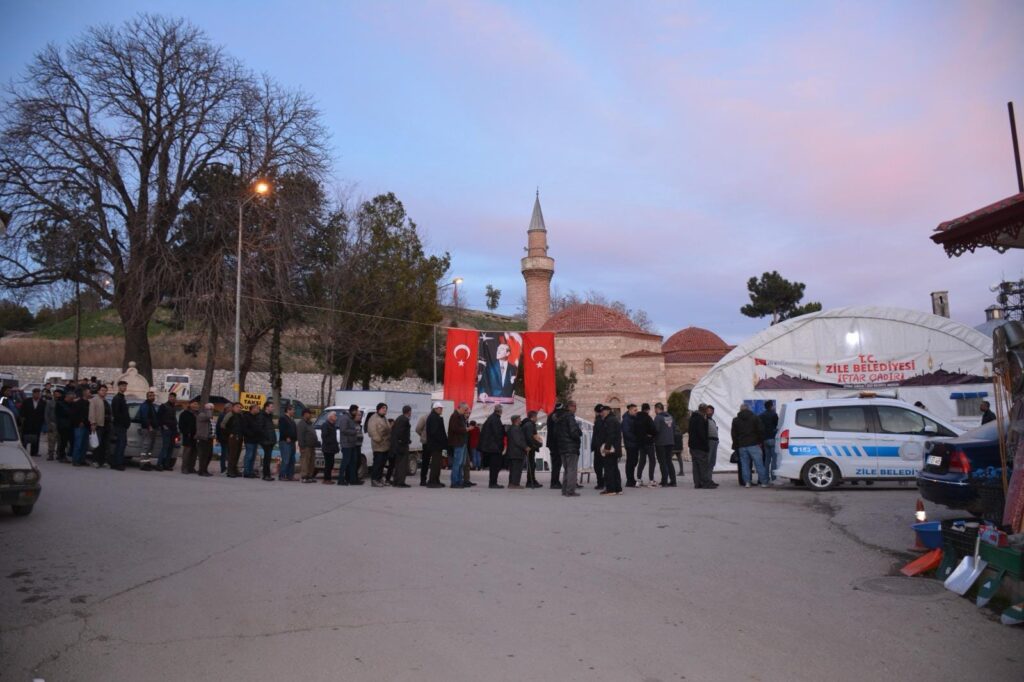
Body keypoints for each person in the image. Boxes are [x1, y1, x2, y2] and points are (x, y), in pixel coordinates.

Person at [733, 404, 768, 488]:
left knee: (745, 465)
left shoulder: (736, 420)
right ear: (748, 409)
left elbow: (734, 434)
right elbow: (761, 430)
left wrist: (736, 444)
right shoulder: (755, 418)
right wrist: (760, 441)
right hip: (754, 444)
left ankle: (747, 482)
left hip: (742, 445)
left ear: (740, 410)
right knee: (759, 464)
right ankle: (763, 482)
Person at [556, 401, 582, 497]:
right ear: (570, 407)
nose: (576, 408)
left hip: (562, 447)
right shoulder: (570, 417)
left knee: (567, 469)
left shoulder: (559, 418)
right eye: (574, 406)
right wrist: (578, 435)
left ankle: (564, 490)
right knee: (572, 469)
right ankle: (570, 490)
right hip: (571, 447)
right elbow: (574, 432)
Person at [688, 404, 716, 489]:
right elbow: (702, 434)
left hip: (692, 445)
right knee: (703, 465)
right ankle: (705, 483)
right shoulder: (700, 419)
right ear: (704, 410)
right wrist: (706, 445)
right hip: (700, 446)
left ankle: (697, 483)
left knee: (695, 466)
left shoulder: (692, 418)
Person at [599, 404, 623, 496]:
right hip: (615, 448)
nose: (601, 413)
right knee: (614, 469)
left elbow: (610, 435)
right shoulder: (613, 419)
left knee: (609, 469)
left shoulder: (609, 420)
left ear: (608, 411)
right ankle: (618, 489)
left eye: (603, 411)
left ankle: (611, 489)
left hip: (610, 449)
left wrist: (607, 448)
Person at [480, 404, 506, 489]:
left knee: (494, 466)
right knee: (495, 466)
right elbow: (497, 433)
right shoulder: (495, 419)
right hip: (494, 447)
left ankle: (493, 482)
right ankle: (493, 483)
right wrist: (500, 445)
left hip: (491, 446)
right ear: (500, 411)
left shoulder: (492, 418)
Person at [367, 403, 392, 487]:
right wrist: (379, 440)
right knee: (377, 463)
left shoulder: (384, 418)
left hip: (385, 445)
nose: (385, 410)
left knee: (382, 464)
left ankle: (379, 478)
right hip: (378, 445)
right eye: (383, 408)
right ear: (378, 409)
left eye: (386, 408)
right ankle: (374, 479)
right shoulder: (373, 418)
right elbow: (372, 431)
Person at [635, 403, 658, 487]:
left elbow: (634, 430)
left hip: (641, 443)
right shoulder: (648, 418)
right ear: (648, 409)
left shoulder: (637, 418)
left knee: (642, 461)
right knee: (652, 460)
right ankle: (651, 480)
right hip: (649, 442)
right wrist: (652, 435)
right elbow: (653, 429)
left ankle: (638, 479)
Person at [425, 402, 448, 488]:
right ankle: (432, 481)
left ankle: (436, 480)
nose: (441, 410)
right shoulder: (434, 418)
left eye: (441, 408)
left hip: (437, 445)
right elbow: (435, 432)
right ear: (435, 409)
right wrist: (442, 441)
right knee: (435, 464)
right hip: (435, 445)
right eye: (440, 408)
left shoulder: (435, 417)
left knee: (438, 464)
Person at [653, 403, 677, 487]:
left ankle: (664, 481)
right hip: (670, 442)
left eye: (655, 409)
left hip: (661, 443)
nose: (655, 411)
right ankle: (673, 481)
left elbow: (656, 430)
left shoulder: (658, 417)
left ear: (657, 408)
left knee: (662, 462)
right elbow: (673, 428)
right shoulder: (669, 417)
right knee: (669, 461)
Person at [338, 405, 362, 486]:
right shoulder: (345, 418)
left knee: (353, 463)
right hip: (346, 444)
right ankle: (340, 479)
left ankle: (353, 480)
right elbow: (343, 430)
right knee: (345, 462)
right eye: (356, 411)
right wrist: (354, 431)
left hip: (352, 444)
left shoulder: (350, 418)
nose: (357, 413)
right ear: (353, 411)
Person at [447, 402, 470, 488]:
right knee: (457, 463)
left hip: (461, 442)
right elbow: (455, 428)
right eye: (465, 409)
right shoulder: (455, 416)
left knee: (461, 464)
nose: (466, 411)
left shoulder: (460, 416)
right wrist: (466, 429)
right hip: (457, 443)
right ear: (460, 408)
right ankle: (454, 482)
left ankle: (459, 481)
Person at [390, 405, 413, 488]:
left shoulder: (399, 418)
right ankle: (400, 482)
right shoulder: (405, 420)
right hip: (402, 445)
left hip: (397, 445)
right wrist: (406, 441)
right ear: (409, 411)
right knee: (403, 464)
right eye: (410, 411)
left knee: (398, 464)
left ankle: (396, 481)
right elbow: (402, 433)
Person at [110, 381, 131, 471]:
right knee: (120, 444)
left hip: (122, 426)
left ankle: (118, 462)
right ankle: (117, 463)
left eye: (125, 386)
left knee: (121, 444)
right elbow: (116, 413)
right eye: (122, 386)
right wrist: (123, 422)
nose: (124, 388)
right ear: (119, 387)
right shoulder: (117, 398)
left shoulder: (122, 398)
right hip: (119, 425)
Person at [156, 392, 179, 472]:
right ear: (168, 397)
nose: (172, 398)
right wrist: (163, 426)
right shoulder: (163, 406)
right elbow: (158, 417)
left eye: (173, 397)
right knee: (165, 447)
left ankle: (166, 464)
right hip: (166, 429)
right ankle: (159, 464)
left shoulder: (174, 407)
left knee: (171, 448)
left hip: (173, 430)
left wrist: (176, 430)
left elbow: (174, 418)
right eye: (171, 397)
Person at [20, 388, 45, 458]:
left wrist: (42, 421)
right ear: (33, 394)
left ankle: (34, 452)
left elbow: (44, 413)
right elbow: (22, 411)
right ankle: (24, 451)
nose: (37, 395)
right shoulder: (27, 401)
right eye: (36, 393)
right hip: (27, 422)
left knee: (36, 438)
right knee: (25, 437)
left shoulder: (43, 402)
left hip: (37, 423)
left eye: (38, 394)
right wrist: (22, 419)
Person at [759, 400, 780, 482]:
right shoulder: (774, 415)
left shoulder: (761, 415)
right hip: (772, 438)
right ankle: (774, 478)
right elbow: (777, 425)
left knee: (767, 460)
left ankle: (766, 479)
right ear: (771, 406)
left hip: (765, 439)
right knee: (774, 460)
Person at [70, 388, 91, 467]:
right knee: (78, 444)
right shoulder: (77, 403)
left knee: (84, 445)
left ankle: (82, 459)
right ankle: (75, 460)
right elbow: (74, 414)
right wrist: (79, 422)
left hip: (87, 426)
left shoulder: (89, 403)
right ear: (84, 393)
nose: (90, 394)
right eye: (89, 392)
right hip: (79, 426)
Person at [136, 390, 158, 464]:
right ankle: (143, 463)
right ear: (147, 397)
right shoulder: (145, 405)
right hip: (147, 429)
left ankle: (147, 462)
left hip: (152, 429)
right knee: (146, 447)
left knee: (150, 448)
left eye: (153, 396)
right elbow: (145, 417)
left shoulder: (151, 405)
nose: (152, 397)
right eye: (150, 396)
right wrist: (149, 426)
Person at [522, 410, 543, 488]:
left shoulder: (529, 424)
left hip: (530, 447)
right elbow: (529, 437)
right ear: (533, 417)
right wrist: (537, 445)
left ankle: (532, 480)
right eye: (536, 416)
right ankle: (530, 481)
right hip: (530, 447)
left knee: (532, 464)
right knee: (531, 465)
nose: (537, 418)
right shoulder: (529, 425)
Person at [506, 415, 528, 489]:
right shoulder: (515, 429)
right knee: (516, 469)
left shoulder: (512, 428)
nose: (520, 420)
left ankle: (512, 483)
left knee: (513, 469)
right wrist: (525, 447)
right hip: (516, 452)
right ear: (516, 420)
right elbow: (518, 440)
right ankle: (515, 484)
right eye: (519, 419)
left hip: (513, 452)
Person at [297, 409, 319, 483]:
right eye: (309, 414)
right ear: (305, 414)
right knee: (305, 461)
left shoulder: (309, 423)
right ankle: (304, 476)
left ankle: (310, 475)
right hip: (305, 446)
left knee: (311, 462)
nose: (311, 415)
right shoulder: (302, 424)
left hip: (312, 446)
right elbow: (300, 436)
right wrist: (302, 446)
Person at [277, 404, 298, 481]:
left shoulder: (291, 419)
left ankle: (290, 475)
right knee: (286, 459)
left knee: (292, 459)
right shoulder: (283, 418)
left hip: (292, 441)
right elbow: (282, 429)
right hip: (285, 442)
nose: (294, 411)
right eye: (293, 410)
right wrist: (286, 437)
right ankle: (282, 475)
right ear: (288, 410)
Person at [622, 403, 640, 487]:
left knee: (634, 461)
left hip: (635, 444)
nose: (636, 412)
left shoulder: (634, 418)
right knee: (630, 462)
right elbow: (626, 433)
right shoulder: (626, 420)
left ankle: (631, 479)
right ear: (630, 410)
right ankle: (630, 480)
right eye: (635, 410)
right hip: (630, 444)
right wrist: (636, 438)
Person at [179, 400, 199, 474]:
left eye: (197, 404)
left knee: (194, 452)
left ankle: (191, 468)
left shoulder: (197, 414)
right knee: (187, 452)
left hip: (196, 435)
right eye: (194, 404)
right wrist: (186, 432)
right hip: (188, 435)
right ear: (190, 405)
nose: (196, 405)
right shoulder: (185, 413)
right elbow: (181, 425)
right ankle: (184, 468)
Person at [224, 403, 244, 478]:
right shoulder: (230, 414)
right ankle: (230, 471)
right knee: (232, 454)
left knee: (237, 454)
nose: (239, 408)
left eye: (240, 407)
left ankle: (234, 470)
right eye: (237, 407)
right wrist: (229, 433)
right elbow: (222, 425)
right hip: (233, 437)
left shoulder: (240, 415)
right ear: (233, 407)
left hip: (240, 436)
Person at [196, 403, 215, 477]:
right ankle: (201, 471)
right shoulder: (202, 415)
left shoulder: (209, 416)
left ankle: (205, 469)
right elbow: (208, 416)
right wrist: (208, 409)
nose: (212, 410)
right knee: (204, 455)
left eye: (212, 408)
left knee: (209, 455)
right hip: (203, 438)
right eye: (211, 408)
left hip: (209, 438)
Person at [320, 411, 340, 484]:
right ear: (330, 417)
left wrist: (336, 446)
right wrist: (331, 443)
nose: (336, 417)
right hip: (327, 448)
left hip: (332, 448)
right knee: (328, 464)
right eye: (335, 416)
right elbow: (324, 436)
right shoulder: (325, 425)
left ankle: (329, 478)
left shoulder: (333, 425)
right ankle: (326, 479)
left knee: (331, 464)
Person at [546, 406, 562, 489]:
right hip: (555, 444)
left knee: (555, 463)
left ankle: (555, 481)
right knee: (556, 464)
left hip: (552, 443)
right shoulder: (555, 416)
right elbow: (555, 432)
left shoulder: (551, 415)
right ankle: (555, 482)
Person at [55, 390, 74, 462]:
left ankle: (65, 455)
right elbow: (66, 413)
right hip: (63, 426)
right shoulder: (60, 404)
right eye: (71, 399)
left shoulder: (71, 404)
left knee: (68, 441)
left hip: (70, 425)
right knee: (63, 442)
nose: (72, 400)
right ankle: (61, 455)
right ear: (67, 397)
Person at [591, 404, 606, 490]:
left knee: (598, 466)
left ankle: (601, 482)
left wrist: (595, 445)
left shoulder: (598, 421)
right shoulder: (604, 420)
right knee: (604, 465)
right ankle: (604, 481)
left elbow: (597, 435)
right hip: (603, 446)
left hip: (599, 447)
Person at [45, 388, 60, 460]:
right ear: (53, 395)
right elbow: (46, 414)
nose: (57, 396)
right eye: (56, 395)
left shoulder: (61, 403)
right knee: (51, 440)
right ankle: (50, 454)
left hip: (60, 423)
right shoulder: (50, 403)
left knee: (60, 440)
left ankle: (59, 453)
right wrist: (48, 424)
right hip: (52, 423)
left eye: (58, 395)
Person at [416, 411, 430, 485]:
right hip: (426, 442)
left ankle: (429, 479)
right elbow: (418, 429)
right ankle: (423, 480)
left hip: (432, 443)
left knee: (428, 462)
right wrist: (423, 435)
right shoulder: (424, 417)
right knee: (425, 461)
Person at [705, 404, 721, 473]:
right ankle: (706, 476)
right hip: (709, 441)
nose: (710, 412)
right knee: (708, 459)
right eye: (709, 411)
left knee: (712, 461)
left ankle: (709, 476)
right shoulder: (705, 420)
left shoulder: (713, 421)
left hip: (715, 441)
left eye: (712, 411)